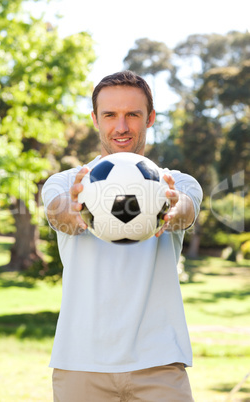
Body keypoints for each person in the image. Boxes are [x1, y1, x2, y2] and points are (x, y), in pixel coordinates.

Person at [42, 70, 203, 402]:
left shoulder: (177, 183)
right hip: (80, 363)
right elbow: (59, 214)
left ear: (150, 118)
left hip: (159, 362)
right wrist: (73, 210)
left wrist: (171, 210)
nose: (121, 126)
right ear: (95, 120)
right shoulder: (65, 183)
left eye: (133, 114)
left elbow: (185, 210)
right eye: (110, 115)